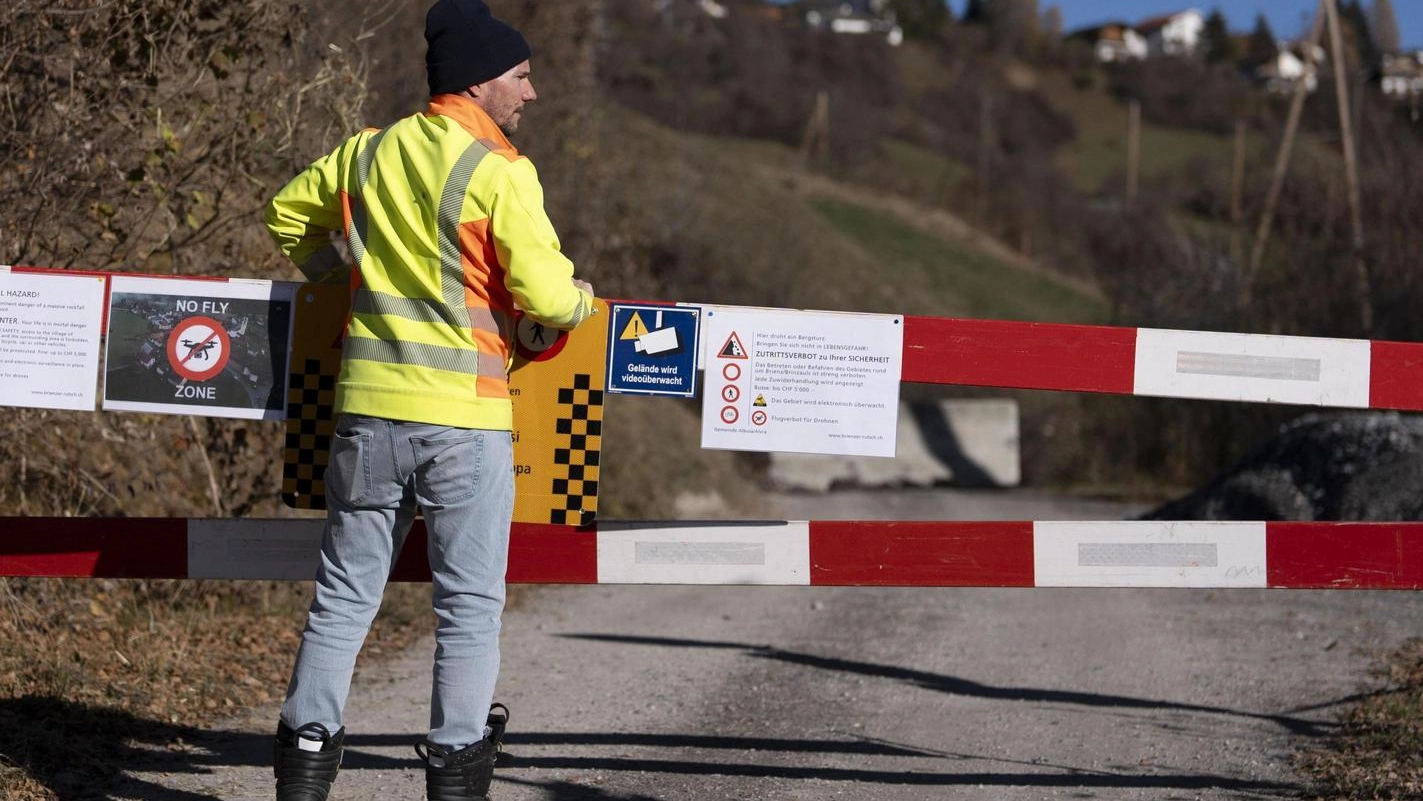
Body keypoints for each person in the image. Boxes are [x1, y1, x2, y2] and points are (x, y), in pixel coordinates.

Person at [263, 2, 596, 799]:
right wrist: (581, 299)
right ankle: (453, 772)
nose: (532, 92)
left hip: (368, 413)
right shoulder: (499, 170)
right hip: (465, 419)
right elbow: (546, 295)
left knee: (344, 596)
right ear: (480, 81)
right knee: (470, 606)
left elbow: (284, 215)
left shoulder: (366, 152)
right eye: (521, 75)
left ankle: (305, 764)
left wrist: (345, 284)